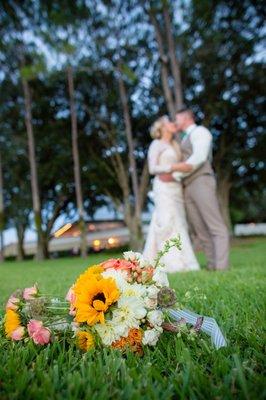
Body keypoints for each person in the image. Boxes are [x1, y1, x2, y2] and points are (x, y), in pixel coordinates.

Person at [160, 108, 229, 270]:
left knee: (215, 225)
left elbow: (199, 157)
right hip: (188, 186)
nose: (175, 122)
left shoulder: (200, 132)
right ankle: (212, 265)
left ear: (185, 118)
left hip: (201, 181)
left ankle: (222, 267)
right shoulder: (183, 138)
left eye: (177, 119)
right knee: (200, 228)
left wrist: (174, 172)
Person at [143, 115, 200, 272]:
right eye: (169, 121)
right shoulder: (157, 144)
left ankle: (184, 261)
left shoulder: (175, 144)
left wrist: (177, 171)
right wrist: (174, 167)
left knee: (180, 222)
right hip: (163, 188)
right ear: (161, 127)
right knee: (166, 221)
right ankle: (170, 263)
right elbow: (152, 168)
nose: (173, 123)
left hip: (176, 188)